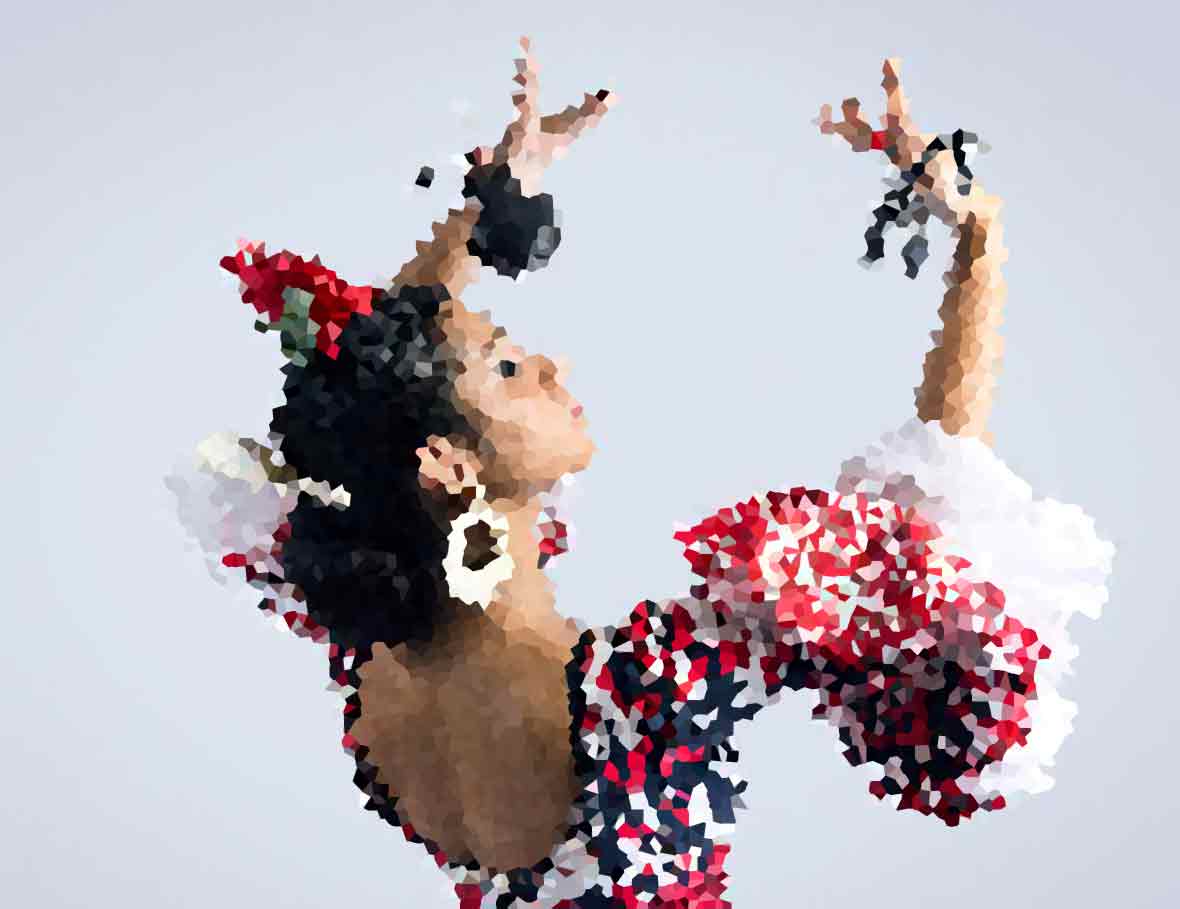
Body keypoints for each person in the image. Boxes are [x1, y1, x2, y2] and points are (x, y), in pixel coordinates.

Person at [170, 40, 1113, 909]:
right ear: (449, 465)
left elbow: (380, 380)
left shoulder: (370, 652)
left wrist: (492, 204)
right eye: (510, 366)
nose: (553, 367)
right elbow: (927, 516)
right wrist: (979, 243)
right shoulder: (648, 689)